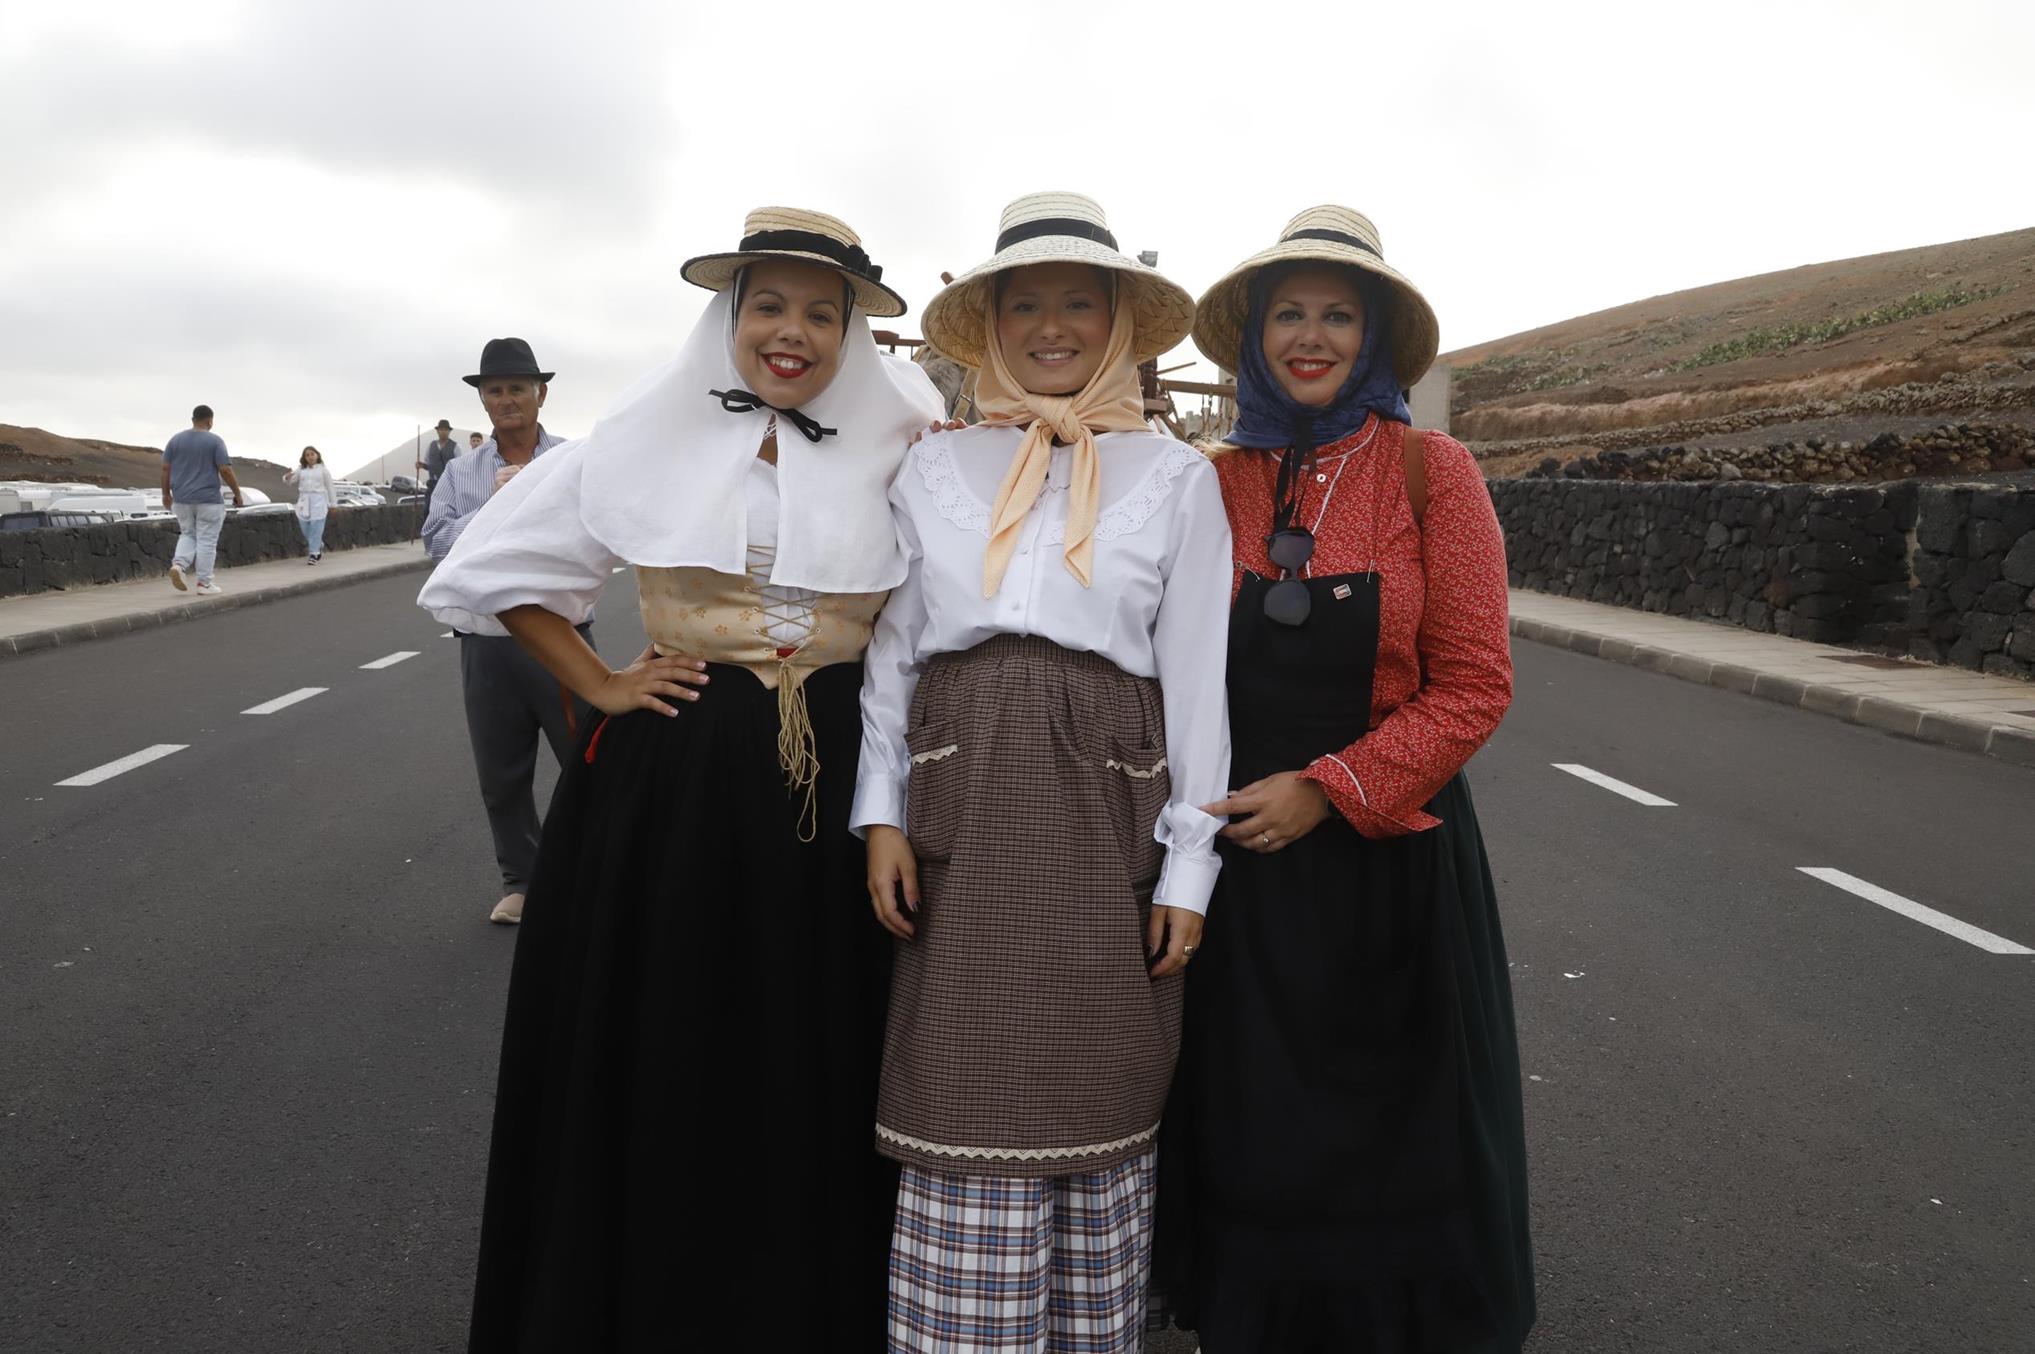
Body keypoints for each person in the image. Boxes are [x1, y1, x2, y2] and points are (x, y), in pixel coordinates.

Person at [418, 207, 943, 1351]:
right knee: (679, 1034)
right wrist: (602, 681)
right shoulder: (645, 431)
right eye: (769, 305)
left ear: (853, 330)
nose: (791, 332)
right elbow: (494, 572)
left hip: (851, 764)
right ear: (730, 316)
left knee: (828, 1037)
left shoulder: (911, 432)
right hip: (684, 774)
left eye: (820, 311)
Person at [856, 191, 1232, 1352]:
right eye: (1028, 304)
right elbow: (896, 650)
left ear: (1119, 323)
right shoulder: (933, 467)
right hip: (961, 792)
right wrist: (880, 815)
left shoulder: (1175, 478)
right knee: (960, 1070)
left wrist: (1187, 873)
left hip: (1106, 802)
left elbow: (1197, 683)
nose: (1053, 325)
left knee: (1100, 1071)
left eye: (1081, 302)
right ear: (992, 324)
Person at [1156, 206, 1535, 1353]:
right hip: (1241, 864)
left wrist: (1327, 785)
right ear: (1253, 337)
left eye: (1337, 315)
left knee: (1390, 1125)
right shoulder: (1207, 481)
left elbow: (1475, 682)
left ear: (1371, 338)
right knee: (1253, 1116)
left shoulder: (1434, 470)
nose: (1309, 337)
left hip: (1387, 867)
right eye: (1288, 314)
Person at [423, 338, 579, 925]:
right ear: (482, 401)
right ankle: (521, 880)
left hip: (561, 633)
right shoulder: (463, 472)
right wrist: (489, 505)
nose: (507, 399)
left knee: (587, 759)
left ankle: (593, 868)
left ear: (541, 393)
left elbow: (597, 526)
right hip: (485, 639)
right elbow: (435, 541)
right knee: (501, 770)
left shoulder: (571, 459)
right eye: (495, 390)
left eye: (518, 387)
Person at [160, 404, 244, 596]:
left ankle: (179, 565)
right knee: (207, 540)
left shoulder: (175, 440)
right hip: (208, 500)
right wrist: (237, 493)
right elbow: (225, 469)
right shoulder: (215, 441)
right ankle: (204, 583)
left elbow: (165, 469)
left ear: (192, 420)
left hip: (181, 499)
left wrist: (166, 494)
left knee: (188, 534)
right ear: (210, 421)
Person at [284, 446, 335, 563]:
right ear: (304, 458)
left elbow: (330, 487)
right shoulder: (301, 470)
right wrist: (287, 477)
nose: (310, 457)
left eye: (312, 454)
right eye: (307, 455)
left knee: (316, 526)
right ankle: (318, 544)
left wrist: (333, 504)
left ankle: (314, 554)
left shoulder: (323, 470)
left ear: (317, 455)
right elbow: (291, 480)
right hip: (304, 500)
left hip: (319, 500)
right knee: (305, 527)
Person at [423, 418, 460, 496]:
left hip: (448, 484)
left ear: (449, 431)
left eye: (446, 430)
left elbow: (459, 465)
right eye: (441, 429)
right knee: (428, 507)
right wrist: (421, 465)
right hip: (433, 483)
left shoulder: (456, 446)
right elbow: (428, 464)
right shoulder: (431, 445)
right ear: (437, 431)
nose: (443, 432)